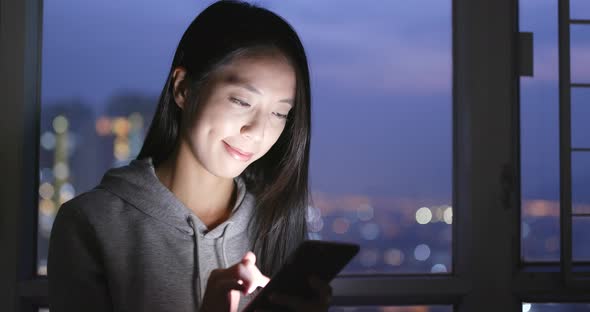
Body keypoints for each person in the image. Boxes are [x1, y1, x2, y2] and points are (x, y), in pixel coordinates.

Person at [48, 1, 332, 311]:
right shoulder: (92, 223)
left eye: (279, 113)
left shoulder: (274, 223)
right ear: (183, 88)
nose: (257, 131)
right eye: (241, 101)